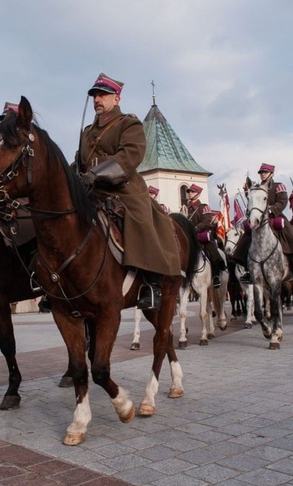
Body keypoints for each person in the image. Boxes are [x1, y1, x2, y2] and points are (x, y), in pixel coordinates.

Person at [74, 73, 180, 310]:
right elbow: (79, 162)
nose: (97, 99)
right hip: (91, 189)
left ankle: (151, 283)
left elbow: (129, 156)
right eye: (94, 95)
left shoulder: (128, 124)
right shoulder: (87, 131)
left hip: (122, 187)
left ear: (117, 98)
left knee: (139, 218)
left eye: (102, 95)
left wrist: (97, 172)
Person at [231, 163, 293, 283]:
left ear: (272, 174)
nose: (262, 175)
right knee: (247, 234)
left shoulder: (278, 186)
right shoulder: (255, 188)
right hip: (259, 218)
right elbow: (252, 203)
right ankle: (246, 268)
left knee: (287, 231)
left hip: (274, 216)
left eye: (265, 172)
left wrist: (272, 209)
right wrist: (250, 212)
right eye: (261, 173)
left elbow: (283, 201)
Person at [185, 184, 227, 287]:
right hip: (188, 236)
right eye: (189, 192)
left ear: (198, 194)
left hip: (199, 234)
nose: (190, 193)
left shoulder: (203, 207)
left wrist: (195, 229)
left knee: (210, 248)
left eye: (192, 192)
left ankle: (216, 275)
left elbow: (207, 221)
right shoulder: (185, 208)